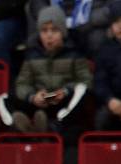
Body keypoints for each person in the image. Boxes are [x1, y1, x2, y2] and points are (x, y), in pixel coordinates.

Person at [12, 6, 92, 134]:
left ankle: (52, 127)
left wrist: (65, 91)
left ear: (63, 32)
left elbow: (86, 81)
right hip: (41, 102)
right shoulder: (32, 54)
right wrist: (33, 97)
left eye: (54, 30)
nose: (49, 35)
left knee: (81, 92)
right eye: (44, 31)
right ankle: (23, 126)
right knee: (5, 98)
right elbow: (22, 83)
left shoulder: (74, 53)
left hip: (64, 104)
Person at [94, 0, 121, 131]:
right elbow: (100, 81)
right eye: (116, 22)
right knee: (102, 118)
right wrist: (110, 100)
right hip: (111, 104)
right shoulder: (104, 50)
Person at [29, 0, 113, 57]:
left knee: (98, 39)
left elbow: (113, 7)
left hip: (91, 25)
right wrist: (52, 18)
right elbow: (37, 4)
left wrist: (88, 19)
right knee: (35, 40)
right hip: (55, 22)